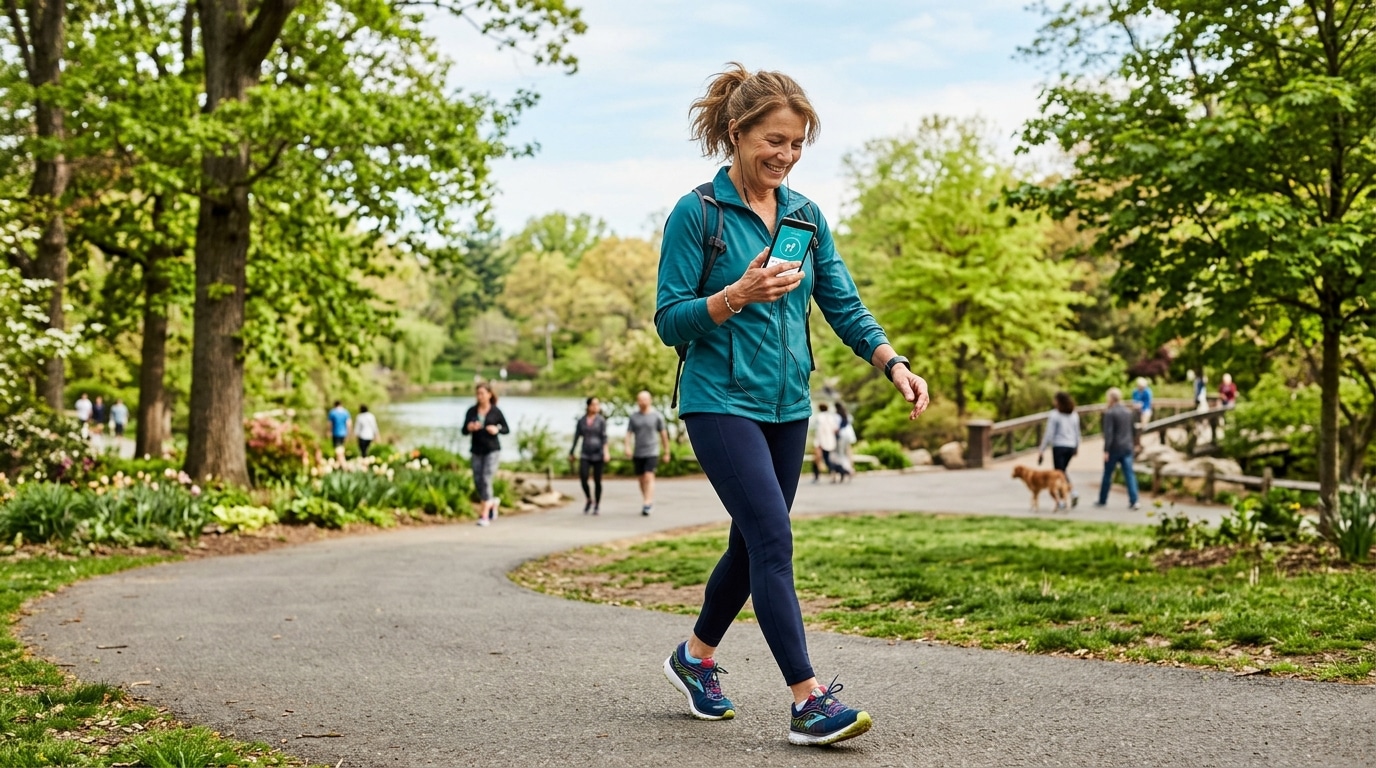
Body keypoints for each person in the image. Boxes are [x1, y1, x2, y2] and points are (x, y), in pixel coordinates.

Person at [655, 63, 930, 748]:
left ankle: (694, 658)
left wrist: (891, 361)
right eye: (773, 140)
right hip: (718, 399)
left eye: (798, 143)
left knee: (752, 545)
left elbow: (840, 300)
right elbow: (669, 320)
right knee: (774, 540)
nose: (784, 155)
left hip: (787, 404)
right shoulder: (699, 214)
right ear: (738, 132)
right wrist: (733, 296)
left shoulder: (806, 217)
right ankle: (808, 702)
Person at [464, 383, 509, 526]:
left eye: (482, 393)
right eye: (478, 393)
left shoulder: (496, 411)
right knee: (478, 480)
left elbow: (506, 429)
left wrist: (496, 429)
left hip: (492, 450)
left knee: (486, 478)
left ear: (489, 394)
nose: (480, 396)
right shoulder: (472, 411)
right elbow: (463, 431)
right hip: (476, 449)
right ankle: (492, 502)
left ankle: (484, 515)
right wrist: (470, 427)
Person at [624, 390, 671, 516]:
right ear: (637, 401)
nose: (643, 402)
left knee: (648, 476)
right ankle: (647, 500)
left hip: (652, 451)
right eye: (640, 399)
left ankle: (647, 502)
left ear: (650, 400)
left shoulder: (657, 416)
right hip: (638, 451)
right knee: (640, 479)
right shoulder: (633, 417)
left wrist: (666, 452)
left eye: (645, 399)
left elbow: (663, 435)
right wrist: (627, 447)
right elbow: (628, 433)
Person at [1095, 387, 1140, 510]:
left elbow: (1108, 433)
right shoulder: (1128, 412)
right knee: (1129, 474)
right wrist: (1135, 444)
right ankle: (1134, 500)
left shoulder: (1110, 413)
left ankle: (1102, 499)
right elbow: (1133, 430)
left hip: (1114, 448)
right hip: (1127, 447)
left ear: (1111, 398)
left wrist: (1106, 450)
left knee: (1108, 474)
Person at [1037, 391, 1081, 508]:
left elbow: (1049, 434)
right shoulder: (1074, 415)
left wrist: (1042, 449)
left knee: (1059, 473)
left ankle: (1069, 494)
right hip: (1070, 446)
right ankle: (1066, 496)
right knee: (1062, 471)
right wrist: (1077, 446)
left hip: (1059, 446)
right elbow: (1077, 433)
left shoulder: (1054, 415)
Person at [569, 396, 609, 515]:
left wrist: (606, 452)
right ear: (588, 406)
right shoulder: (582, 421)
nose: (596, 407)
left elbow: (604, 437)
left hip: (598, 453)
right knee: (583, 478)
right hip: (585, 452)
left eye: (598, 404)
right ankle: (588, 499)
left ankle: (597, 504)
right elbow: (576, 437)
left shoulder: (601, 420)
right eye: (594, 404)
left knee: (597, 480)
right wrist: (572, 451)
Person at [810, 403, 838, 484]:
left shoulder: (819, 417)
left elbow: (819, 431)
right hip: (830, 441)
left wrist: (818, 442)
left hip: (820, 442)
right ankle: (833, 475)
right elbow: (835, 429)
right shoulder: (831, 417)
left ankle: (816, 476)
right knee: (828, 459)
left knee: (816, 460)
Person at [831, 402, 856, 482]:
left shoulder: (837, 416)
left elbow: (836, 427)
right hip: (848, 436)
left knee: (840, 454)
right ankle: (850, 468)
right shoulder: (847, 415)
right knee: (847, 453)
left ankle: (847, 470)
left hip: (841, 436)